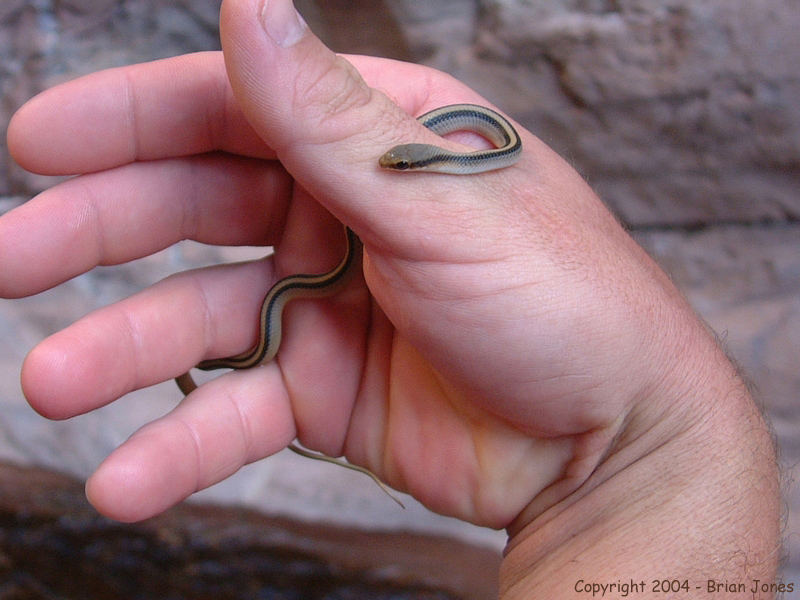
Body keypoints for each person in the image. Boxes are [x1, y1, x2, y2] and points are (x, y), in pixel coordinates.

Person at [1, 0, 781, 597]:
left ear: (424, 161)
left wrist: (652, 445)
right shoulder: (440, 158)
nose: (397, 170)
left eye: (404, 166)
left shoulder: (470, 157)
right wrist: (661, 447)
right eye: (404, 165)